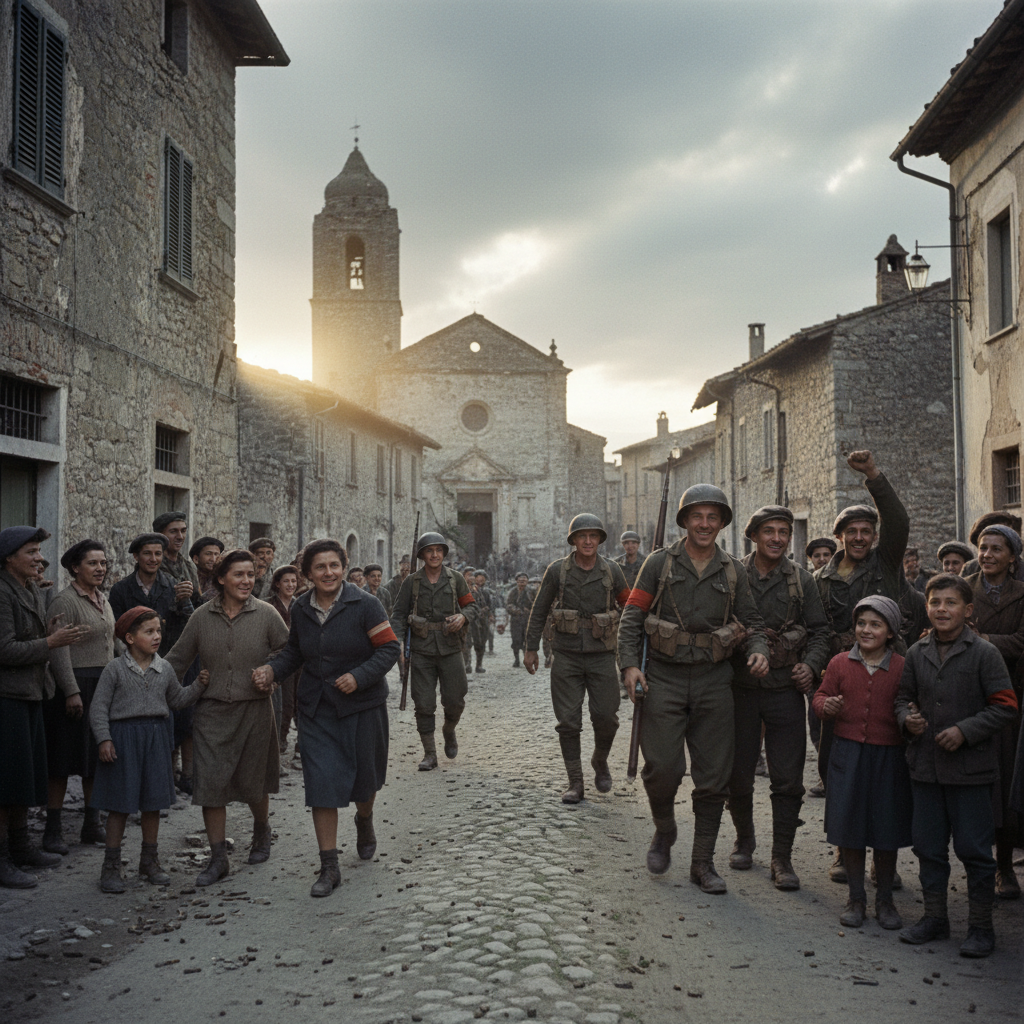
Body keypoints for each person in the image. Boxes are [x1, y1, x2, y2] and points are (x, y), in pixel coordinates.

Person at [617, 485, 769, 893]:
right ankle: (664, 830)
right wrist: (630, 666)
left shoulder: (734, 571)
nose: (704, 524)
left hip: (714, 682)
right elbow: (632, 616)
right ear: (684, 521)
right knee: (662, 770)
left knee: (713, 778)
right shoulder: (658, 564)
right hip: (662, 679)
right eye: (697, 516)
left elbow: (752, 623)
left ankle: (702, 862)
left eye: (712, 517)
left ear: (721, 524)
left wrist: (757, 651)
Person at [254, 539, 400, 898]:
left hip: (362, 708)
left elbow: (390, 648)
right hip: (317, 709)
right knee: (321, 785)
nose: (328, 573)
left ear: (343, 566)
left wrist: (360, 676)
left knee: (365, 783)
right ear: (308, 574)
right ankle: (329, 865)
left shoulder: (365, 604)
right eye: (320, 567)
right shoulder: (302, 608)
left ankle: (364, 819)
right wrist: (272, 671)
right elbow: (294, 653)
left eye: (334, 565)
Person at [813, 449, 925, 884]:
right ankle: (845, 850)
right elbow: (815, 630)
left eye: (866, 531)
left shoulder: (886, 563)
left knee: (887, 768)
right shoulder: (820, 580)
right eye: (851, 531)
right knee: (834, 766)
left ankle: (884, 861)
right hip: (837, 677)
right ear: (839, 536)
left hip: (887, 674)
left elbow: (899, 522)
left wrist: (873, 475)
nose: (859, 537)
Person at [895, 573, 1018, 958]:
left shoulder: (984, 653)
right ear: (926, 607)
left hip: (971, 773)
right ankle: (935, 918)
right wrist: (906, 719)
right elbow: (902, 698)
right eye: (935, 603)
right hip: (927, 771)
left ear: (968, 610)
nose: (941, 610)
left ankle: (981, 927)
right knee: (929, 848)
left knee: (974, 850)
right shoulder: (917, 653)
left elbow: (1005, 706)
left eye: (950, 603)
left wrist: (966, 731)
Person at [164, 549, 289, 885]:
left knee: (254, 781)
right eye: (239, 575)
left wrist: (271, 672)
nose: (247, 581)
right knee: (210, 784)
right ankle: (218, 858)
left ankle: (261, 830)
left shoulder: (266, 614)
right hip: (211, 711)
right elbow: (176, 659)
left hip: (255, 710)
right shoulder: (202, 617)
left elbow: (288, 652)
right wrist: (145, 681)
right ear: (221, 578)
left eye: (251, 575)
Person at [727, 506, 830, 892]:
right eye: (768, 531)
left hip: (786, 691)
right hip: (740, 690)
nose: (776, 538)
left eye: (783, 531)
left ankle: (781, 857)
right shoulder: (733, 574)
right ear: (753, 535)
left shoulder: (802, 580)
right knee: (738, 774)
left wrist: (812, 666)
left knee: (788, 780)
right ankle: (744, 840)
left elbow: (820, 632)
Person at [89, 608, 208, 892]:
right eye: (149, 632)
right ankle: (111, 866)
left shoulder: (164, 668)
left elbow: (177, 699)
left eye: (158, 631)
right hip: (123, 740)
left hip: (156, 738)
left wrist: (199, 685)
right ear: (129, 638)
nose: (157, 637)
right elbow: (98, 708)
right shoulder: (114, 669)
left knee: (152, 803)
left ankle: (149, 860)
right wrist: (104, 739)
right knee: (119, 805)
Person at [813, 595, 911, 930]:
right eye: (861, 623)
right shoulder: (840, 662)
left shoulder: (901, 666)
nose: (866, 630)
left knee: (885, 827)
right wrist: (826, 706)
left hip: (888, 756)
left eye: (875, 624)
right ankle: (856, 898)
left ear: (891, 632)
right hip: (848, 755)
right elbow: (820, 695)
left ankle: (885, 900)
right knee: (849, 825)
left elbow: (909, 702)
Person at [0, 526, 88, 888]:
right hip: (8, 698)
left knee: (23, 780)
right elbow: (3, 649)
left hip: (32, 693)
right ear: (8, 558)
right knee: (5, 784)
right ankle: (3, 858)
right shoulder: (1, 594)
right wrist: (50, 642)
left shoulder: (31, 589)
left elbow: (29, 640)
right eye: (32, 552)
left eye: (39, 551)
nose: (39, 559)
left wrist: (45, 634)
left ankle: (22, 847)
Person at [525, 515, 630, 804]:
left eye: (593, 536)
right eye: (581, 536)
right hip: (567, 656)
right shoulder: (557, 571)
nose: (587, 541)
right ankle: (576, 781)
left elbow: (630, 607)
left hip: (602, 657)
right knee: (569, 722)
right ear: (573, 540)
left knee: (607, 717)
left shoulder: (612, 571)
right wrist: (531, 648)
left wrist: (633, 652)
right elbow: (540, 609)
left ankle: (600, 759)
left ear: (599, 540)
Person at [42, 540, 117, 853]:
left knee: (94, 758)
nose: (100, 569)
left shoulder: (103, 599)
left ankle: (91, 824)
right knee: (62, 760)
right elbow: (59, 650)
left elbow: (111, 640)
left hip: (101, 685)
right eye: (92, 563)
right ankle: (53, 830)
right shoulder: (64, 601)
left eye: (102, 563)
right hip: (74, 688)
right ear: (75, 567)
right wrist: (71, 690)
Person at [963, 524, 1024, 899]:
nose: (987, 554)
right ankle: (976, 864)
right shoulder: (962, 587)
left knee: (1005, 785)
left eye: (996, 549)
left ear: (1012, 557)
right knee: (973, 783)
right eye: (983, 548)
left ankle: (1003, 867)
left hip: (1012, 699)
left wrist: (984, 641)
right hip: (970, 696)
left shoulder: (1022, 593)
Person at [109, 532, 197, 793]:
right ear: (136, 557)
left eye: (158, 554)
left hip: (164, 664)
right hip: (132, 666)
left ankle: (164, 784)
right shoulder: (122, 590)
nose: (153, 559)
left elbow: (188, 623)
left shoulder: (172, 584)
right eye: (147, 553)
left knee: (167, 724)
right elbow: (114, 629)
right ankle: (132, 785)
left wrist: (186, 600)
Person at [390, 533, 476, 771]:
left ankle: (449, 730)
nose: (435, 555)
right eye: (429, 551)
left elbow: (471, 605)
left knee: (455, 699)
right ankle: (430, 753)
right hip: (422, 650)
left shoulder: (455, 579)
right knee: (424, 703)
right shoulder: (412, 582)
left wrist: (463, 616)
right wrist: (397, 641)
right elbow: (398, 614)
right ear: (422, 555)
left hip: (450, 648)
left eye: (439, 550)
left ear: (444, 554)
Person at [265, 565, 301, 753]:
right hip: (279, 659)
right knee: (284, 704)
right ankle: (280, 741)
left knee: (299, 701)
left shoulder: (300, 604)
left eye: (294, 581)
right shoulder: (268, 605)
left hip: (300, 660)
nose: (290, 585)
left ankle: (299, 745)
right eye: (286, 581)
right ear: (277, 583)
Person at [961, 512, 1024, 581]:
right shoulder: (971, 568)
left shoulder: (1021, 572)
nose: (987, 555)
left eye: (996, 549)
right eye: (984, 547)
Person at [506, 572, 533, 667]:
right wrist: (517, 610)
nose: (522, 583)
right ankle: (516, 659)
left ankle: (527, 660)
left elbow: (536, 604)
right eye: (520, 581)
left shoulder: (531, 592)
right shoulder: (513, 592)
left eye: (524, 581)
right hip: (516, 620)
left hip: (528, 620)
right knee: (516, 640)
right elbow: (508, 605)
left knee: (527, 640)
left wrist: (530, 611)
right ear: (517, 581)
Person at [470, 571, 495, 673]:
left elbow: (490, 605)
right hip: (471, 619)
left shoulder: (487, 592)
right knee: (467, 643)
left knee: (481, 642)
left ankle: (478, 664)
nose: (480, 581)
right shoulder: (470, 590)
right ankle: (467, 664)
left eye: (482, 579)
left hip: (482, 620)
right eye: (478, 579)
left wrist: (489, 614)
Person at [189, 536, 224, 603]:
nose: (213, 559)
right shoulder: (189, 579)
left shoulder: (223, 581)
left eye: (216, 554)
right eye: (208, 554)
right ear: (196, 559)